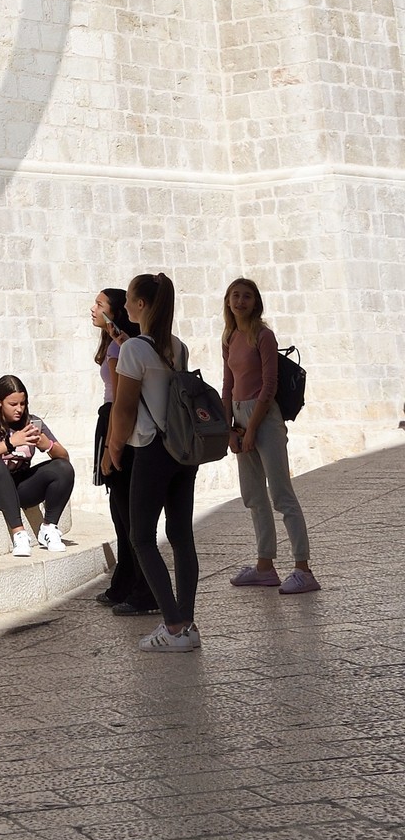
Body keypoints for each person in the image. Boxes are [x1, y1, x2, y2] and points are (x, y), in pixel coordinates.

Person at [103, 272, 199, 652]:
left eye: (129, 299)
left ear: (141, 305)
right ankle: (186, 623)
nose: (125, 305)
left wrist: (112, 452)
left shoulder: (133, 351)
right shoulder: (178, 347)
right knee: (181, 536)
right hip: (183, 451)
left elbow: (124, 410)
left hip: (152, 451)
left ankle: (173, 625)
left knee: (141, 536)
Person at [222, 278, 319, 595]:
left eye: (247, 296)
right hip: (239, 416)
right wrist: (230, 429)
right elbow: (227, 385)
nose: (240, 301)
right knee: (253, 496)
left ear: (256, 302)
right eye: (235, 295)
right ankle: (265, 567)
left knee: (281, 493)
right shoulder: (230, 336)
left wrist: (251, 429)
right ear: (228, 301)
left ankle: (303, 569)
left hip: (264, 419)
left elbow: (270, 385)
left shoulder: (263, 335)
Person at [91, 287, 155, 617]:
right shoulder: (115, 345)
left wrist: (109, 448)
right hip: (111, 420)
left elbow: (120, 401)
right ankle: (126, 582)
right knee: (121, 514)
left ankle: (144, 589)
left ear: (114, 312)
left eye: (99, 304)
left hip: (117, 423)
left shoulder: (122, 348)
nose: (93, 308)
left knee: (127, 514)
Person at [0, 375, 75, 557]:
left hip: (17, 487)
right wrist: (10, 443)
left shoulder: (31, 423)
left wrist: (46, 444)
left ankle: (49, 528)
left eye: (22, 403)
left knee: (63, 469)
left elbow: (64, 457)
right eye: (13, 404)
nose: (19, 409)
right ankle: (18, 533)